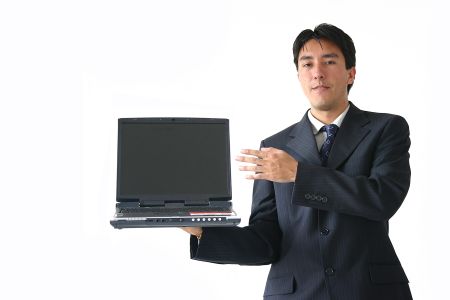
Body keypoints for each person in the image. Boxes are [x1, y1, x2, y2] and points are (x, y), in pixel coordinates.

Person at [183, 23, 413, 300]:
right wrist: (200, 230)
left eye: (329, 61)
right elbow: (265, 241)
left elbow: (382, 199)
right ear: (299, 76)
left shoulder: (386, 129)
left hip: (369, 291)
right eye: (307, 64)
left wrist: (299, 175)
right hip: (295, 293)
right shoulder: (274, 147)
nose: (318, 72)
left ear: (351, 73)